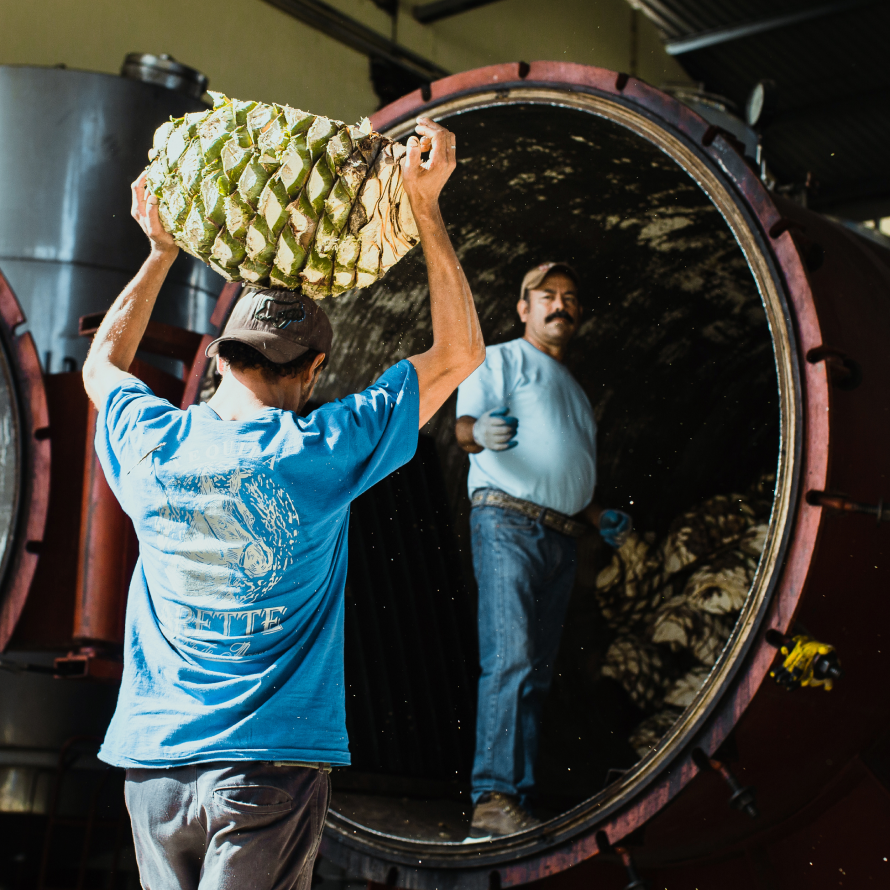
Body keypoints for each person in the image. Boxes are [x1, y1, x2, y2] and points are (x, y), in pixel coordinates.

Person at [82, 118, 483, 890]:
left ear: (222, 356)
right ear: (316, 369)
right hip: (268, 767)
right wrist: (426, 208)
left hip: (152, 767)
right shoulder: (323, 452)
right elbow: (460, 352)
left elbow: (104, 364)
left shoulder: (150, 441)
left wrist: (161, 249)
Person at [454, 261, 631, 840]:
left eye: (571, 298)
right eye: (547, 295)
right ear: (523, 308)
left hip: (560, 535)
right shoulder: (500, 358)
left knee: (535, 671)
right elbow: (462, 427)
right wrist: (480, 434)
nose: (561, 304)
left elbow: (565, 470)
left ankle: (517, 799)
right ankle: (491, 800)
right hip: (507, 521)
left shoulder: (575, 391)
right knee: (511, 659)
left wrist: (596, 512)